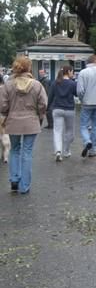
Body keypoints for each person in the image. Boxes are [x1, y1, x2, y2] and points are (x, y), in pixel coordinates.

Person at [0, 56, 48, 194]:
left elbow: (2, 106)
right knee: (27, 152)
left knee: (14, 150)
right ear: (29, 67)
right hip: (31, 122)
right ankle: (24, 186)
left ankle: (14, 179)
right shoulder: (37, 85)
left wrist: (7, 113)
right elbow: (43, 104)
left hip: (13, 122)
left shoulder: (7, 85)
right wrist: (39, 116)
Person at [49, 65, 77, 162]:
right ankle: (66, 150)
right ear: (68, 71)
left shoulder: (55, 83)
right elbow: (78, 94)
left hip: (57, 109)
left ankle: (58, 151)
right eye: (72, 71)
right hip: (70, 110)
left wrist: (48, 107)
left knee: (57, 131)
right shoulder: (73, 83)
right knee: (70, 132)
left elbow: (50, 96)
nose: (72, 73)